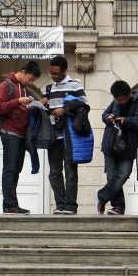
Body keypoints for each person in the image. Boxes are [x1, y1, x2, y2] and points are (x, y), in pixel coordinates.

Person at [41, 55, 88, 215]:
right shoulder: (48, 88)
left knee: (70, 170)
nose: (53, 76)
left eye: (56, 73)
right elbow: (48, 111)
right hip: (53, 135)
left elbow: (85, 105)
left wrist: (65, 109)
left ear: (64, 71)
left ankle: (71, 206)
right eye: (51, 73)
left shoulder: (75, 85)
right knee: (54, 172)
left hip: (69, 135)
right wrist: (44, 104)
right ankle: (60, 205)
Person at [97, 80, 138, 216]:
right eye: (117, 99)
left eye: (122, 99)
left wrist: (126, 121)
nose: (120, 102)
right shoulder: (115, 102)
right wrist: (108, 118)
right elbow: (104, 115)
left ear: (129, 95)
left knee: (123, 175)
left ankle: (102, 196)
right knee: (111, 176)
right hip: (110, 144)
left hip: (128, 147)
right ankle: (118, 207)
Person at [0, 61, 41, 215]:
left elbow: (22, 110)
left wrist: (35, 105)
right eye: (30, 78)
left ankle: (9, 205)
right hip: (10, 132)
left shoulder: (23, 88)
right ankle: (10, 205)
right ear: (22, 72)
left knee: (16, 170)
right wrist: (18, 101)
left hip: (21, 134)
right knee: (9, 169)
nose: (31, 82)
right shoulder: (6, 85)